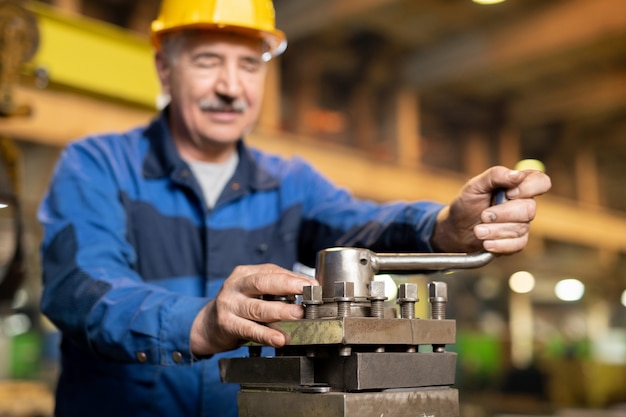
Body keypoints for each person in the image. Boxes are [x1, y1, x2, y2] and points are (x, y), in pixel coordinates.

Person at [37, 0, 551, 416]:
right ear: (164, 69)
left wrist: (441, 226)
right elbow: (81, 290)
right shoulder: (97, 166)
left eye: (248, 64)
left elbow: (362, 225)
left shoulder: (291, 184)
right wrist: (200, 322)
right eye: (207, 60)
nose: (230, 86)